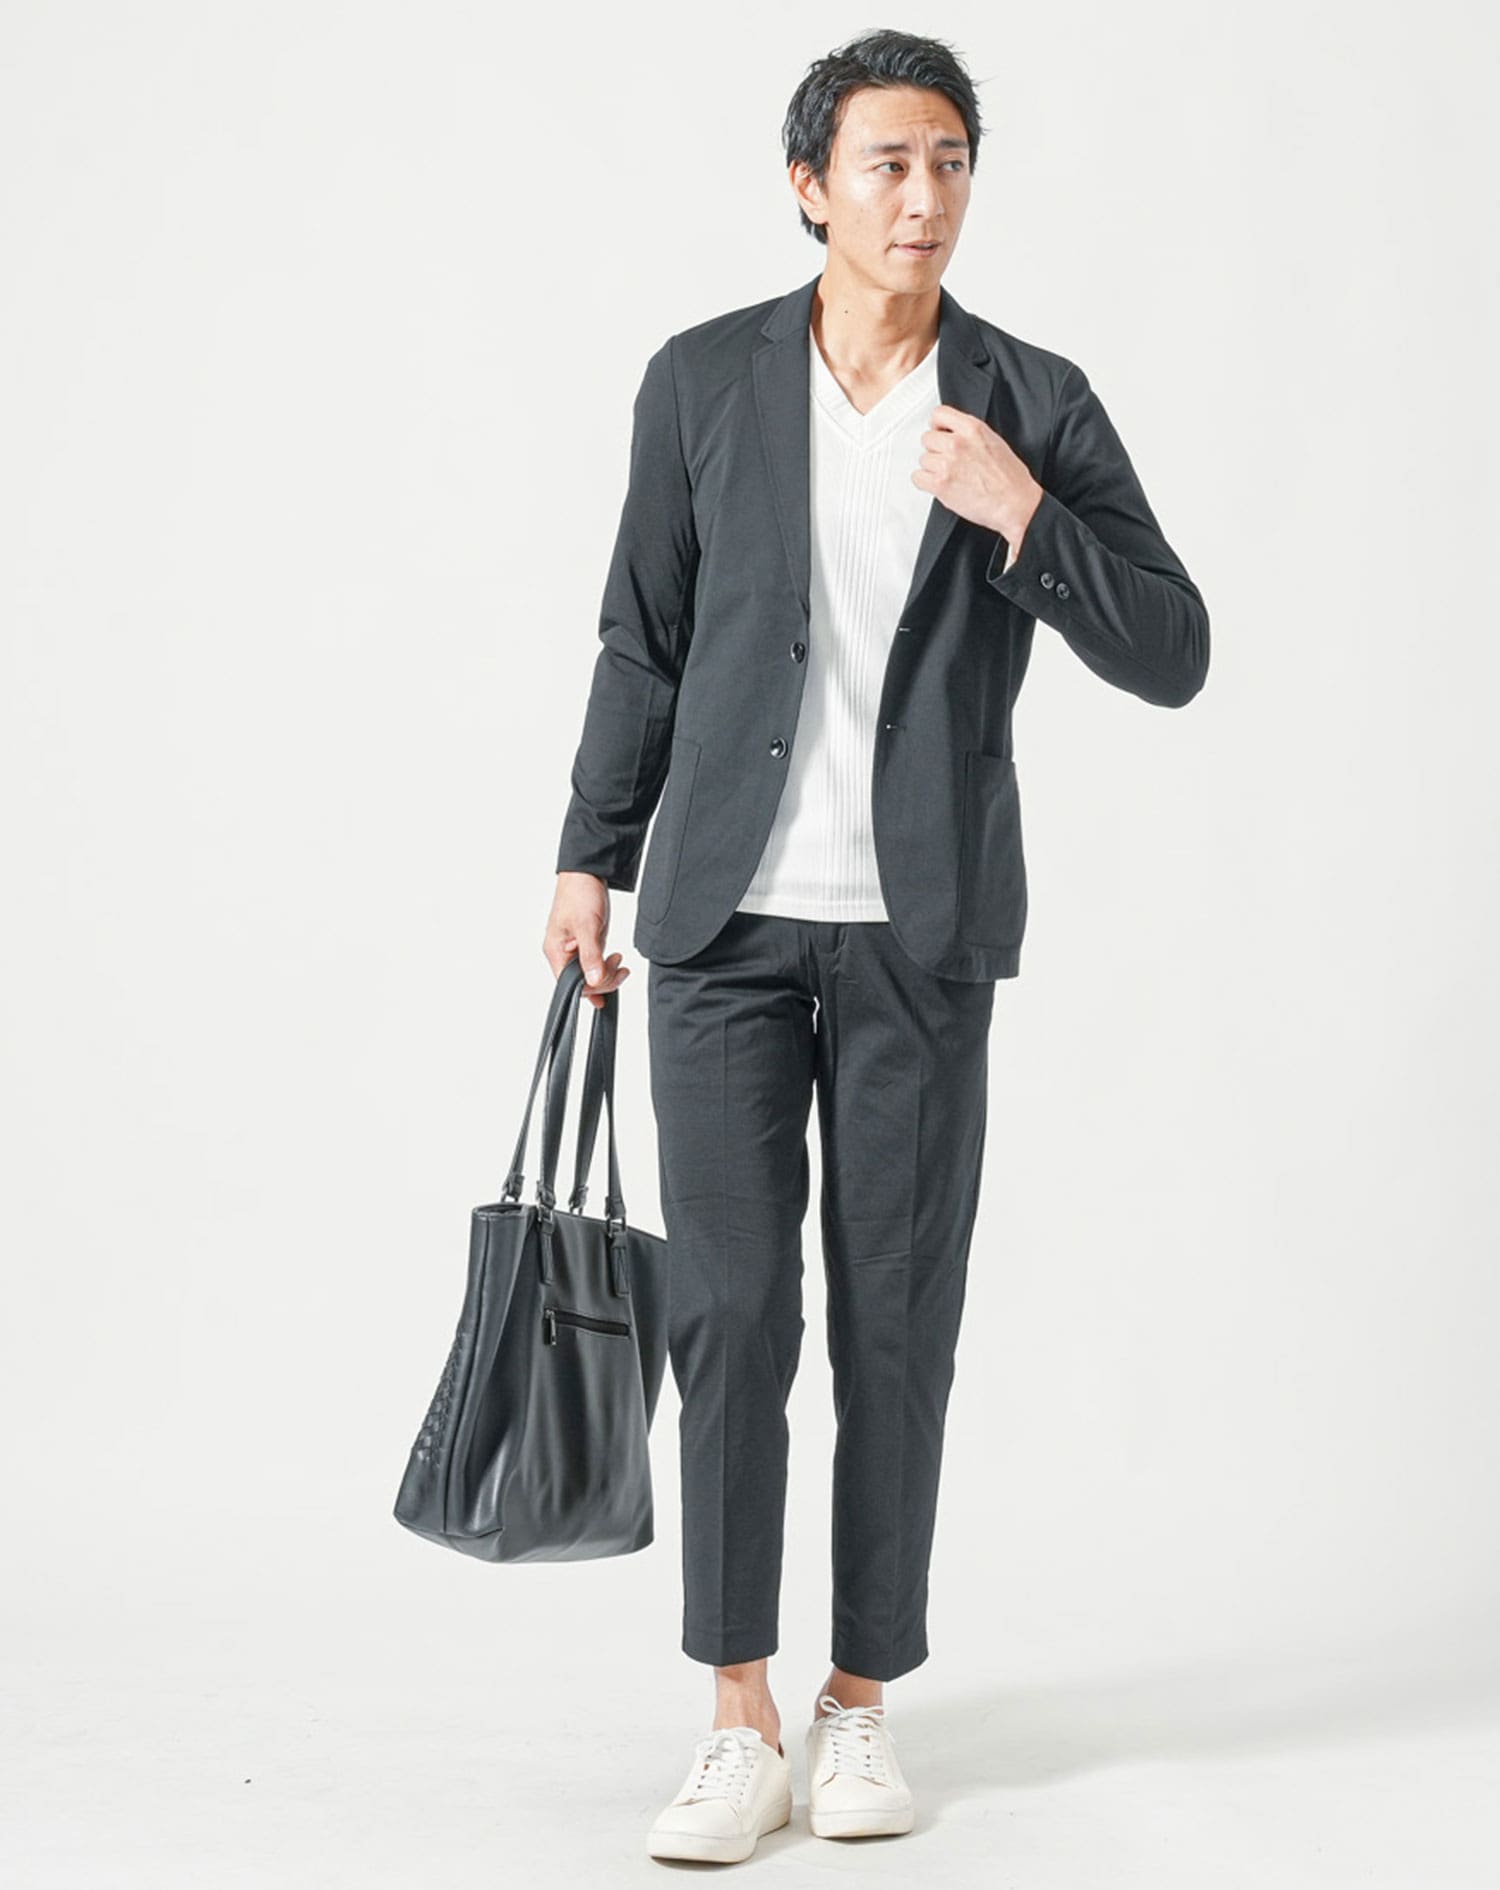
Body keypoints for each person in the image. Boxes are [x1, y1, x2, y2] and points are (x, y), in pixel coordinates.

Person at [544, 28, 1210, 1866]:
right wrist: (591, 853)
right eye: (890, 164)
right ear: (810, 185)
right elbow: (642, 638)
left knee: (896, 1327)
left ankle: (859, 1703)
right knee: (729, 1318)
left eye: (951, 163)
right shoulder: (701, 379)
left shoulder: (1031, 399)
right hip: (724, 930)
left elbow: (1174, 645)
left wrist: (1024, 515)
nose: (925, 198)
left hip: (923, 935)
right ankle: (737, 1715)